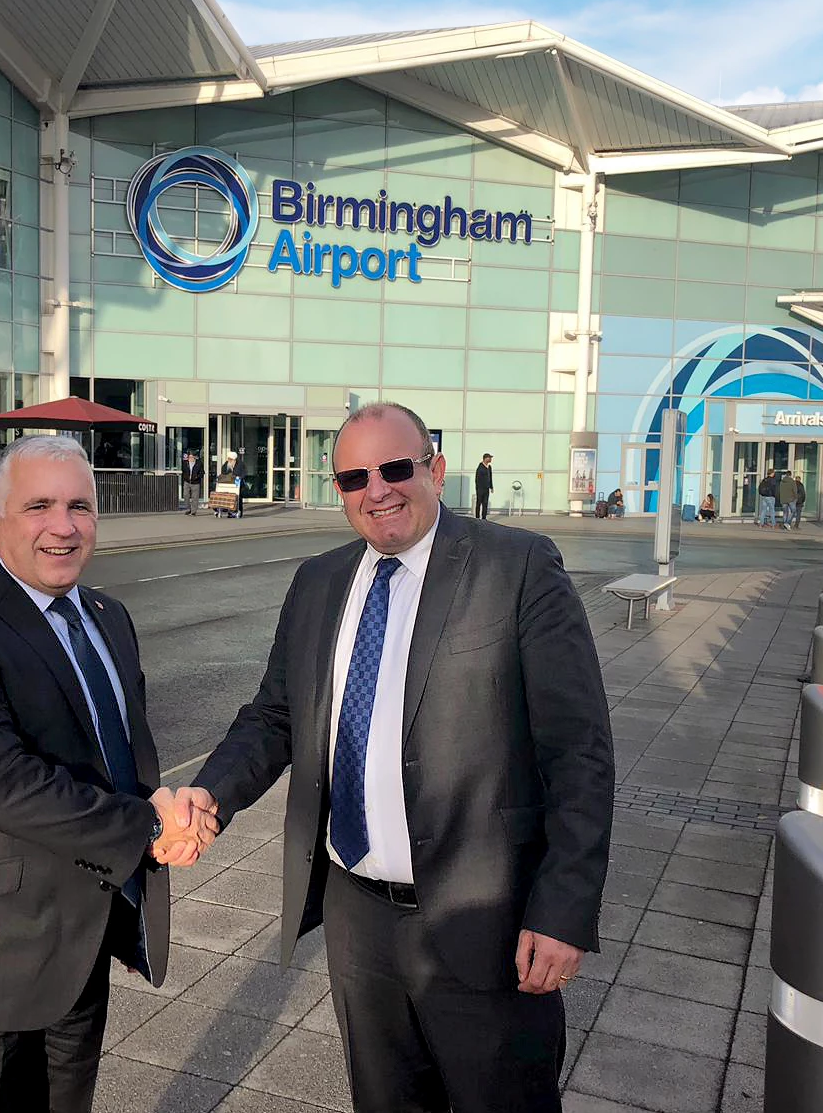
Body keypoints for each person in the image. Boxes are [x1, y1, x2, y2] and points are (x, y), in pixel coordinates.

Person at [169, 403, 615, 1113]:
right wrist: (210, 793)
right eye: (354, 476)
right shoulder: (318, 581)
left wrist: (562, 908)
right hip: (357, 919)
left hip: (484, 917)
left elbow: (578, 749)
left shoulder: (516, 566)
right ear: (338, 488)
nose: (377, 489)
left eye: (395, 468)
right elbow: (276, 715)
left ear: (434, 470)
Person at [0, 436, 213, 1113]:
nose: (63, 525)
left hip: (75, 960)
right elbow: (0, 787)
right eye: (39, 505)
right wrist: (146, 826)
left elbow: (119, 762)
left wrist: (171, 809)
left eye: (80, 505)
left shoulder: (110, 618)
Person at [218, 450, 244, 518]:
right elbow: (223, 472)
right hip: (228, 484)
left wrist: (239, 477)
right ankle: (230, 512)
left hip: (238, 485)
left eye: (230, 459)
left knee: (238, 499)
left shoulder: (240, 464)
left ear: (234, 459)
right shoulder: (226, 464)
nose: (229, 460)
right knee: (228, 498)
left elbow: (244, 473)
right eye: (228, 459)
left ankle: (238, 512)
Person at [182, 450, 203, 516]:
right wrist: (185, 477)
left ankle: (194, 511)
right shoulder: (185, 463)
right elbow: (183, 471)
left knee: (195, 497)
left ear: (194, 457)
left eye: (192, 457)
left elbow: (202, 473)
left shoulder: (199, 463)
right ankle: (188, 509)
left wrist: (197, 476)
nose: (190, 459)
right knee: (186, 495)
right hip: (187, 481)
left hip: (196, 482)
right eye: (189, 457)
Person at [474, 452, 493, 520]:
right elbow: (477, 479)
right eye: (489, 458)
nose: (491, 459)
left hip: (486, 489)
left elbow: (490, 477)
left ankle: (484, 518)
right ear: (485, 458)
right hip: (480, 489)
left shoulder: (489, 467)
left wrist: (491, 487)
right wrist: (478, 489)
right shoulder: (480, 467)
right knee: (479, 503)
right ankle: (477, 517)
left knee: (485, 503)